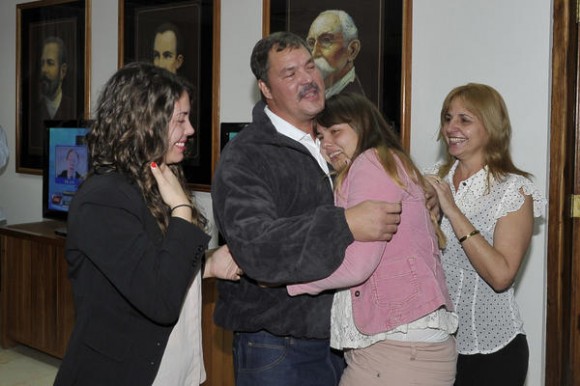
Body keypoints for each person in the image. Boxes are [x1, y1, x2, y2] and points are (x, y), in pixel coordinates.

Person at [211, 31, 402, 386]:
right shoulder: (246, 156)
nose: (307, 79)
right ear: (266, 89)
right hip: (279, 345)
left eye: (310, 66)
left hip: (345, 340)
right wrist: (344, 223)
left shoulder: (337, 139)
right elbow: (257, 248)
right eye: (290, 73)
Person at [53, 62, 241, 386]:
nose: (191, 129)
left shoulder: (156, 181)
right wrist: (182, 209)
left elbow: (152, 266)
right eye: (181, 119)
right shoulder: (103, 199)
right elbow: (160, 299)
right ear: (145, 122)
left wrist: (207, 266)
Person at [287, 92, 458, 386]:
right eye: (320, 135)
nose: (327, 144)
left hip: (400, 352)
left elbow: (357, 265)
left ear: (363, 125)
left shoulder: (372, 162)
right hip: (403, 350)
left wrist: (287, 280)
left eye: (336, 131)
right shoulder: (383, 162)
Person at [425, 83, 546, 386]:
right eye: (447, 117)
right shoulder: (431, 177)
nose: (451, 127)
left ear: (491, 127)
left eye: (464, 119)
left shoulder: (513, 189)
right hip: (432, 345)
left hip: (492, 352)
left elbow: (501, 275)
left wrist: (451, 210)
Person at [306, 10, 365, 98]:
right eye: (311, 43)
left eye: (326, 40)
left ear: (352, 50)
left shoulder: (355, 103)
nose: (314, 53)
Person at [31, 36, 75, 151]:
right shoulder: (33, 112)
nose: (43, 70)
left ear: (63, 71)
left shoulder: (74, 108)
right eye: (42, 63)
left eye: (50, 63)